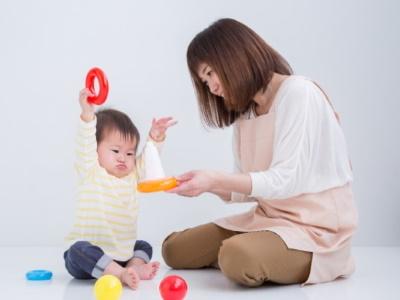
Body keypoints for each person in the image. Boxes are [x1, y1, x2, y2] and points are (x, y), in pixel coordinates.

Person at [162, 18, 358, 287]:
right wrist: (203, 185)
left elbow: (286, 180)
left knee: (236, 257)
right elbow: (246, 187)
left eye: (210, 73)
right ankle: (261, 249)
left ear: (232, 57)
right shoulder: (246, 113)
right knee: (174, 249)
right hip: (268, 220)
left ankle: (295, 257)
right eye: (204, 81)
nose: (212, 88)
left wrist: (216, 179)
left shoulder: (299, 93)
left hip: (316, 230)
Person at [64, 88, 176, 289]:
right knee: (76, 250)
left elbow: (149, 161)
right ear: (95, 150)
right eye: (115, 150)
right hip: (88, 262)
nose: (123, 157)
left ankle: (133, 267)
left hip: (121, 256)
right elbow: (85, 142)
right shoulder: (91, 170)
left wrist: (155, 138)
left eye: (130, 153)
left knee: (143, 246)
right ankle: (120, 273)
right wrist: (88, 116)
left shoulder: (132, 176)